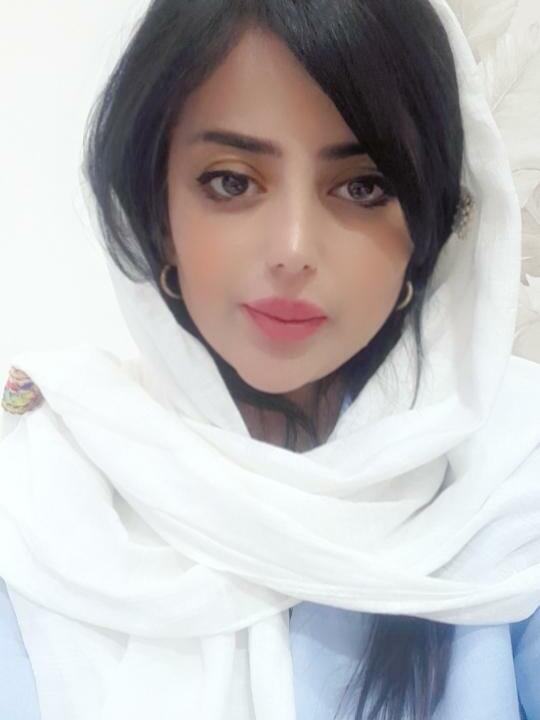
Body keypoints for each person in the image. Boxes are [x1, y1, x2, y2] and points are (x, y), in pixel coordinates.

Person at [1, 0, 539, 719]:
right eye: (232, 180)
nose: (292, 249)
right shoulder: (43, 488)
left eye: (363, 186)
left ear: (431, 225)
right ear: (156, 211)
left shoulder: (514, 480)